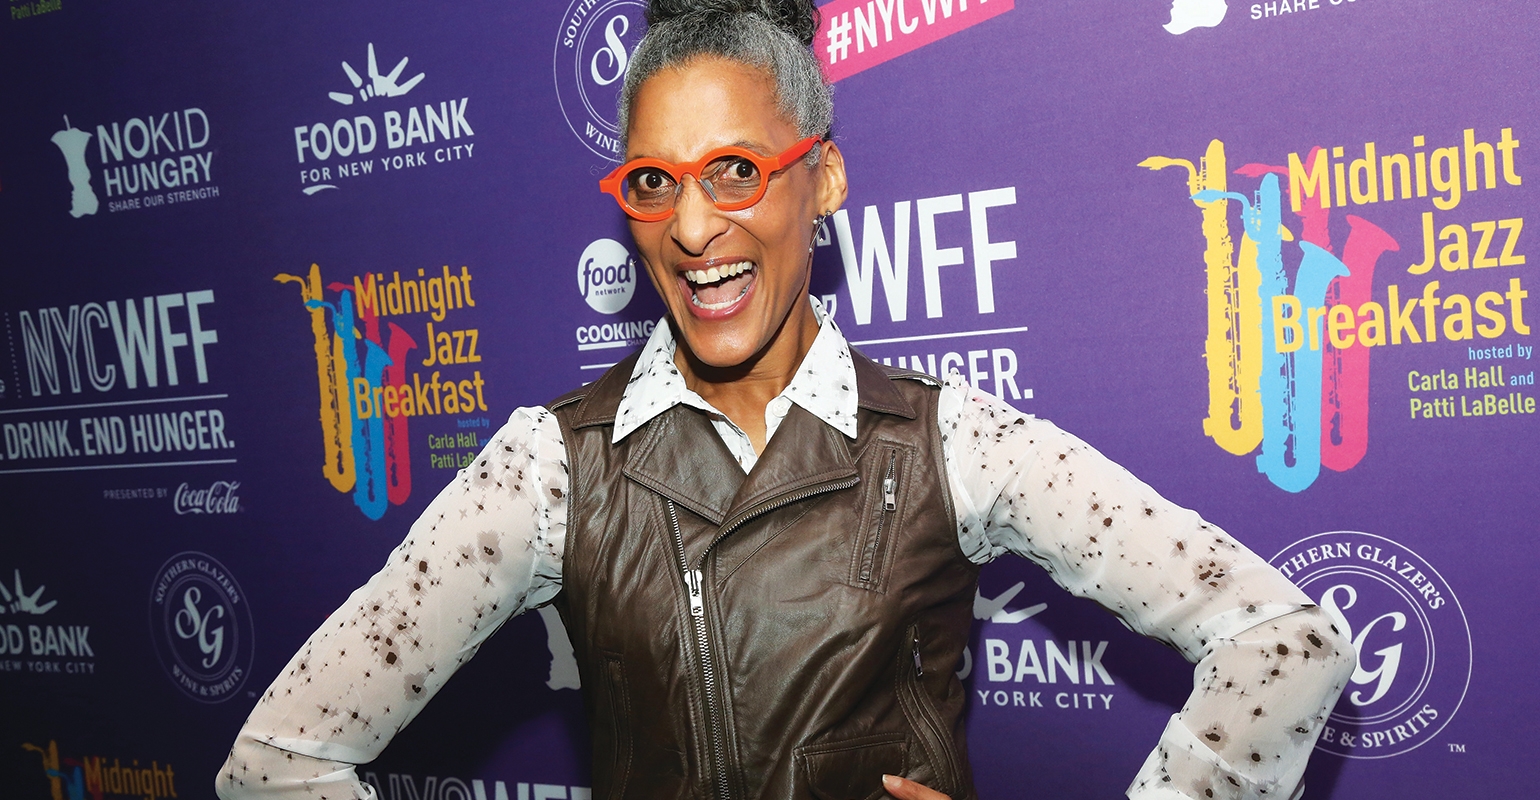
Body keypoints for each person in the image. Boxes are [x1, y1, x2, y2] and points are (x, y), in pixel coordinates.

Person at [216, 2, 1354, 798]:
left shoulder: (952, 440)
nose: (693, 226)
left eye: (736, 171)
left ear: (825, 177)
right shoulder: (549, 467)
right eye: (653, 181)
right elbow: (277, 763)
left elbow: (1286, 642)